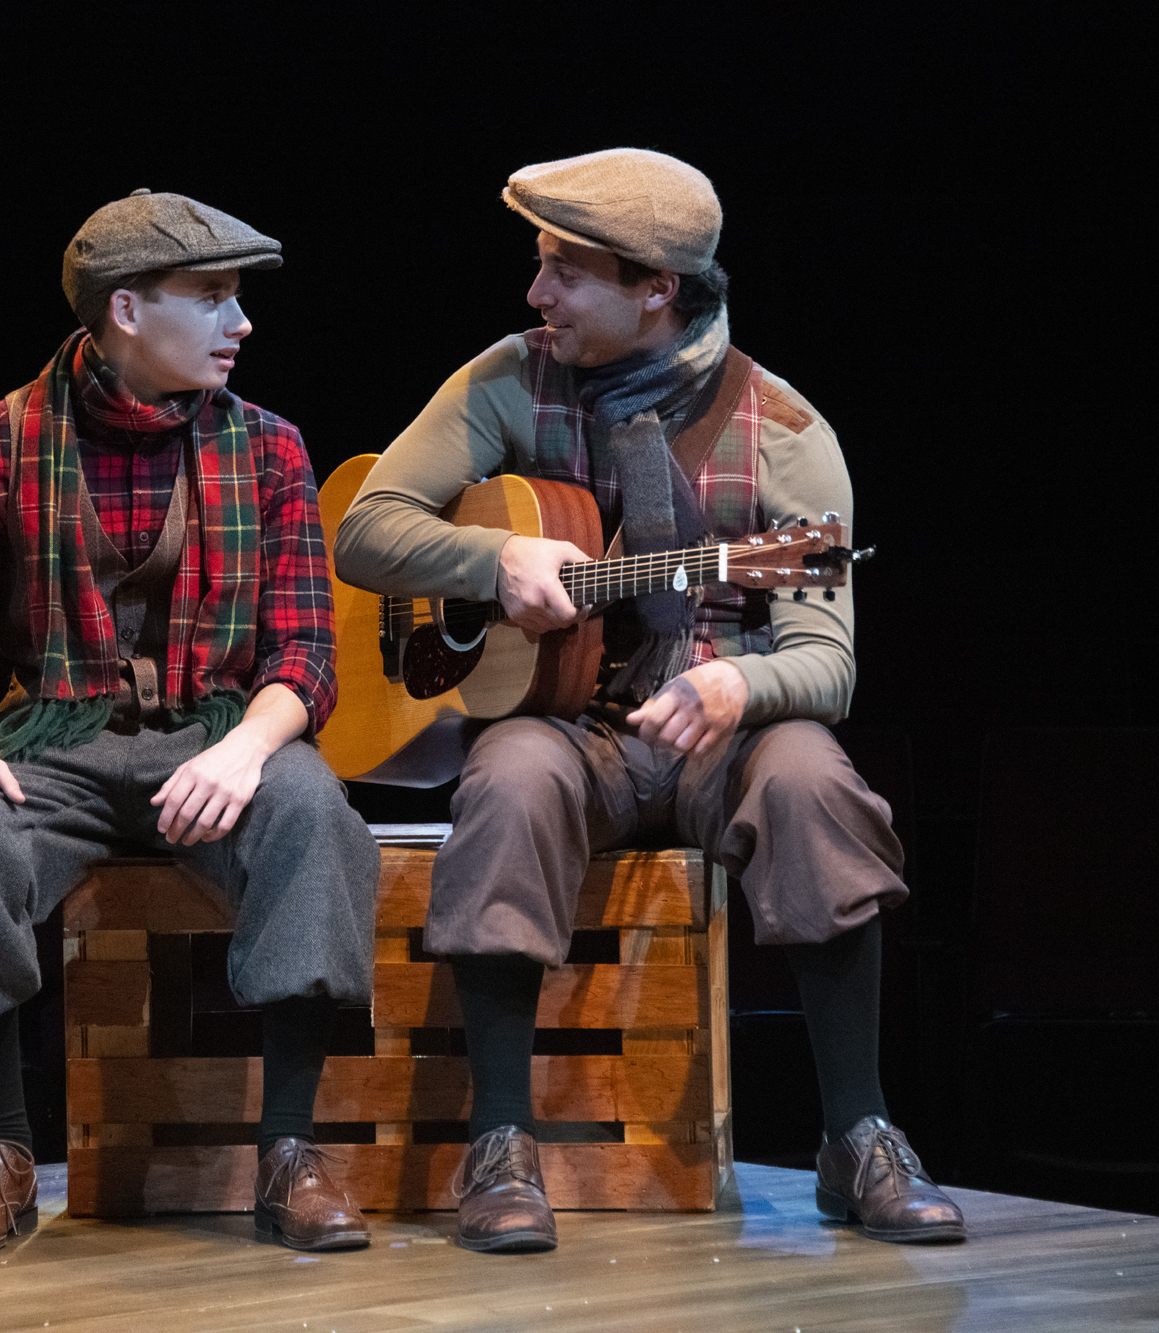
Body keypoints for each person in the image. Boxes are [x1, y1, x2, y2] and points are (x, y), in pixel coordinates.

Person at [333, 149, 965, 1252]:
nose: (535, 296)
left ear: (654, 288)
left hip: (721, 734)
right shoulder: (503, 379)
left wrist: (737, 682)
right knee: (510, 774)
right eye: (538, 267)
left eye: (562, 273)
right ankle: (500, 1142)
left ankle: (857, 1132)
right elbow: (364, 526)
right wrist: (491, 563)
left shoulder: (785, 432)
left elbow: (827, 660)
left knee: (815, 777)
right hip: (572, 729)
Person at [0, 189, 380, 1255]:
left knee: (312, 818)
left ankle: (287, 1149)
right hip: (57, 740)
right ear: (125, 308)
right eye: (211, 297)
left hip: (219, 734)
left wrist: (245, 749)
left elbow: (305, 656)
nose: (239, 324)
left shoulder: (269, 450)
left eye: (238, 298)